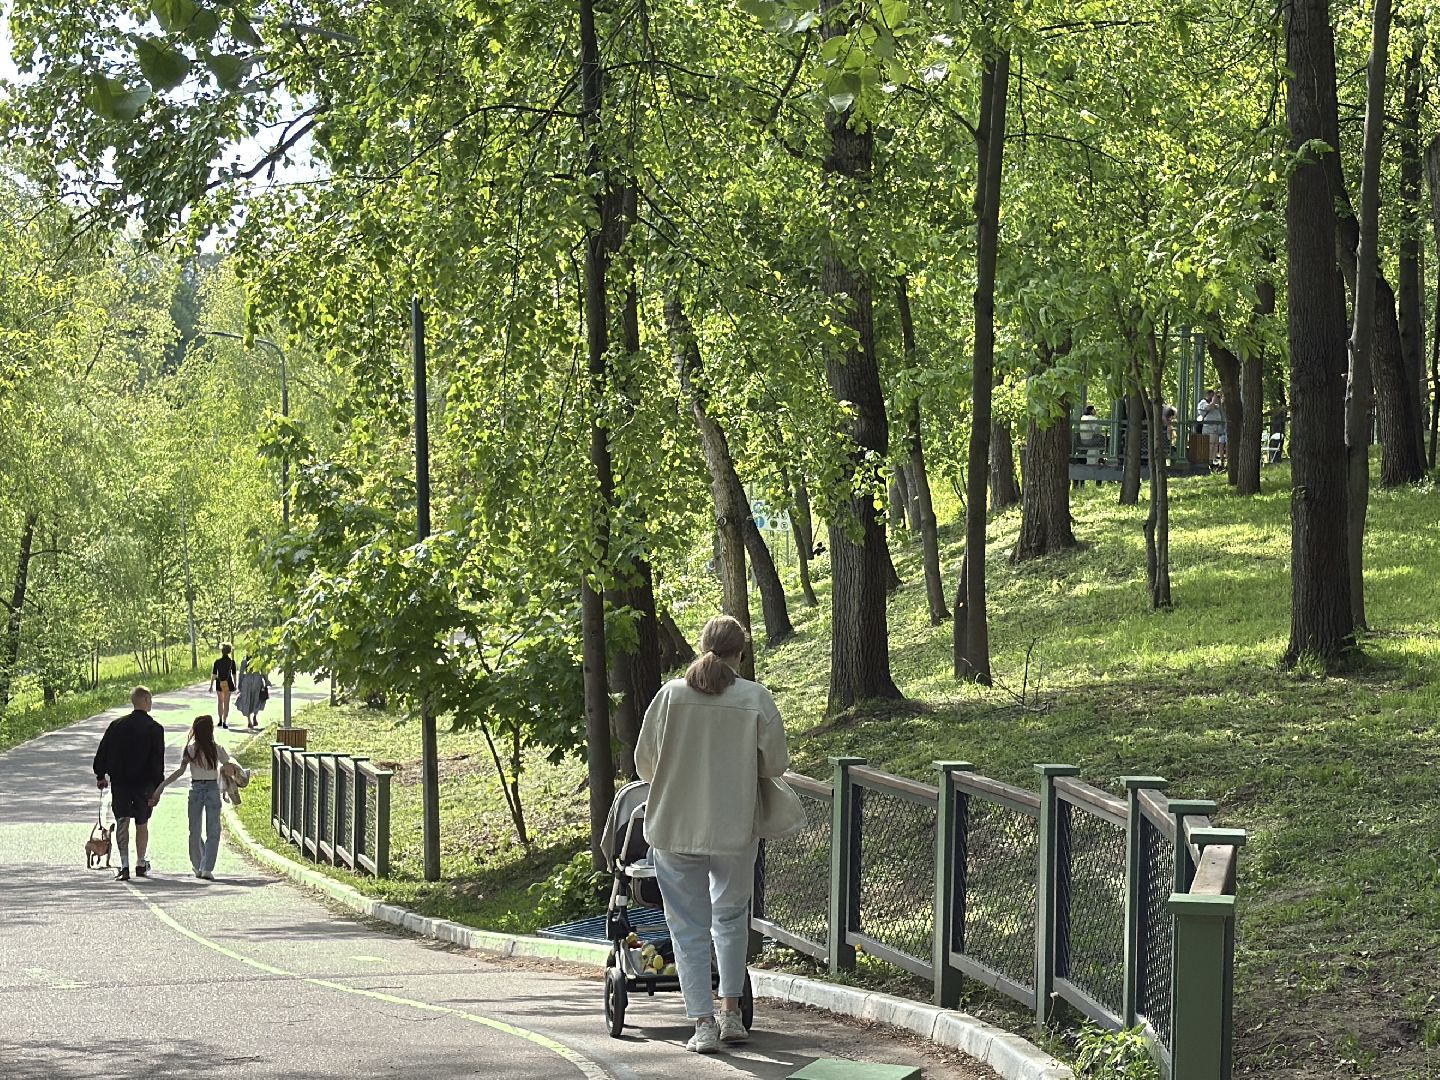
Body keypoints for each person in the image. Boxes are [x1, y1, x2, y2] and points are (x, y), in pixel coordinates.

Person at [635, 615, 790, 1054]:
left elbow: (645, 764)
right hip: (734, 826)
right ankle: (731, 1013)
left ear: (702, 646)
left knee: (687, 926)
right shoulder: (755, 698)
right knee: (731, 916)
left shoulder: (670, 696)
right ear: (741, 653)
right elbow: (776, 764)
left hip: (675, 825)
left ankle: (702, 1024)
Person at [93, 686, 165, 882]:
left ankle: (124, 865)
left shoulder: (116, 725)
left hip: (121, 784)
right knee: (142, 822)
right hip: (144, 785)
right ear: (146, 700)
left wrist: (101, 775)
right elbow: (157, 762)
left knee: (122, 821)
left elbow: (103, 751)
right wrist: (157, 788)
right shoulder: (155, 729)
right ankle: (140, 863)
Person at [151, 715, 232, 881]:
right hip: (212, 789)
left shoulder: (190, 749)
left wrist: (161, 787)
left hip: (196, 789)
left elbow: (180, 771)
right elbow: (229, 767)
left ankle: (198, 864)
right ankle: (207, 867)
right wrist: (230, 774)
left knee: (194, 830)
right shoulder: (216, 749)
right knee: (213, 830)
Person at [234, 656, 270, 732]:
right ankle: (255, 715)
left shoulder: (244, 661)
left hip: (247, 680)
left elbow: (241, 673)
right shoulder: (259, 659)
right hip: (257, 679)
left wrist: (239, 685)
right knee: (256, 699)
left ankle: (249, 720)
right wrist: (266, 680)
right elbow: (263, 671)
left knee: (247, 700)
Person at [210, 644, 238, 729]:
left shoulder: (217, 662)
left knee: (220, 702)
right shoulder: (232, 662)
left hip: (219, 683)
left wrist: (211, 685)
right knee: (226, 702)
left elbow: (214, 674)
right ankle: (225, 721)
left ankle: (220, 719)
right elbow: (234, 674)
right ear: (229, 652)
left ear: (221, 651)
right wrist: (235, 684)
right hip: (228, 683)